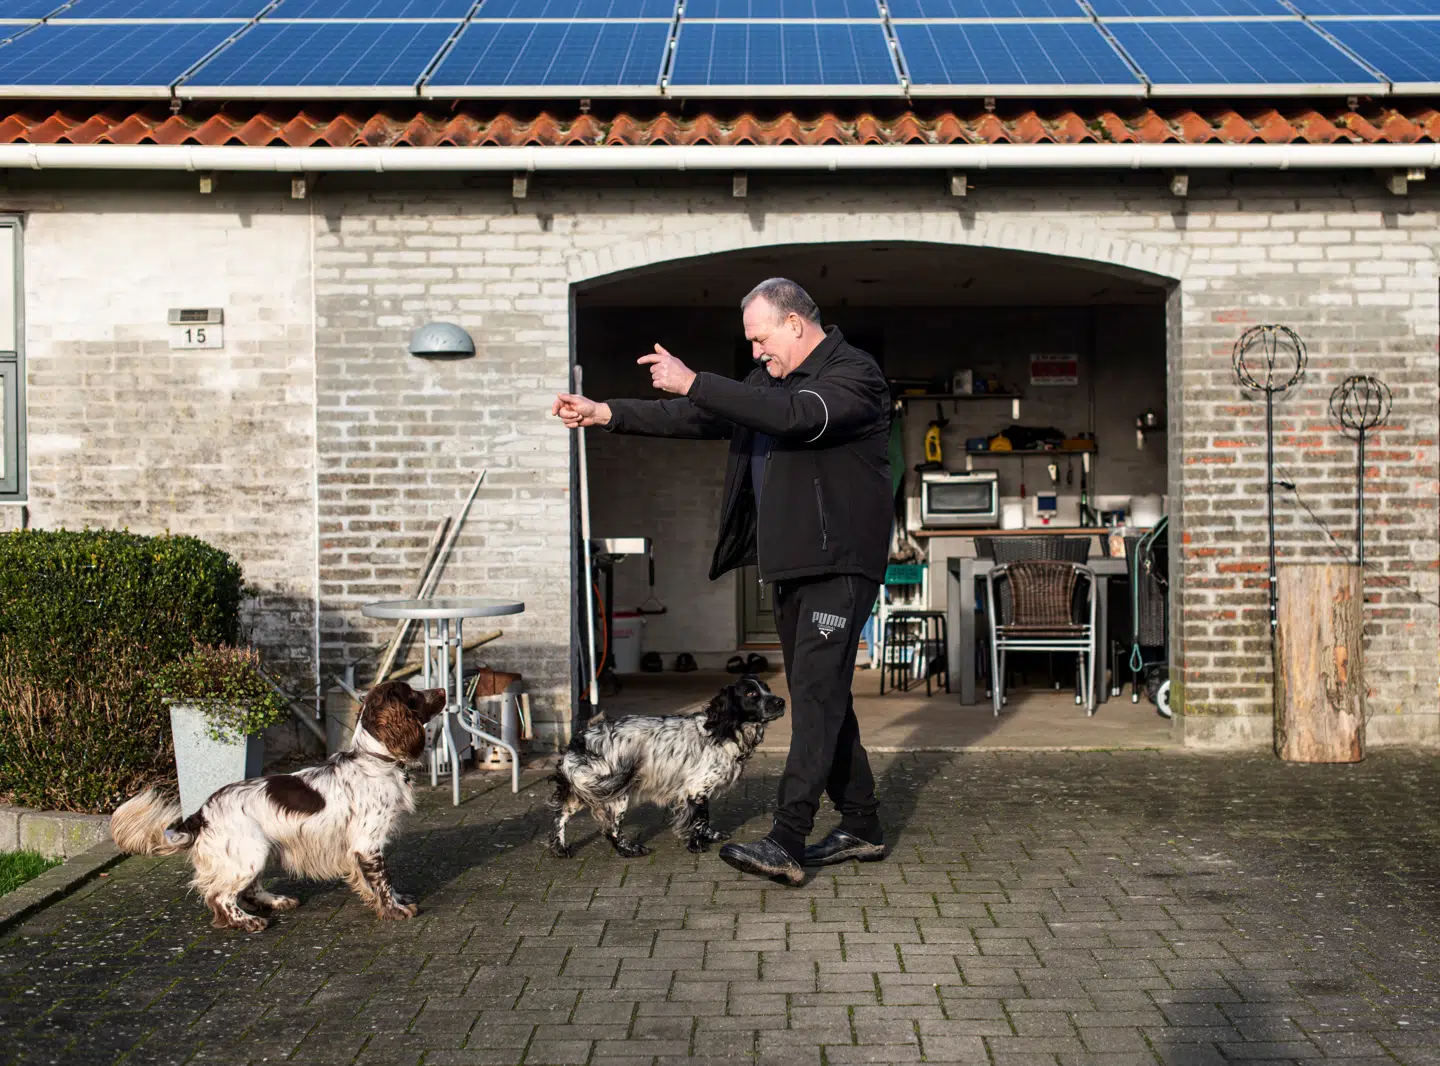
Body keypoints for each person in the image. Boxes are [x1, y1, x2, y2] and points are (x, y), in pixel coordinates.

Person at [551, 278, 893, 886]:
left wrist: (697, 379)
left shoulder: (852, 374)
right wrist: (608, 414)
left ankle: (788, 838)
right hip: (792, 564)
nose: (757, 352)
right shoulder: (770, 383)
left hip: (839, 564)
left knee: (813, 700)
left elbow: (795, 417)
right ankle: (861, 823)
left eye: (760, 338)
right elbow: (702, 413)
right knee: (825, 695)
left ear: (794, 323)